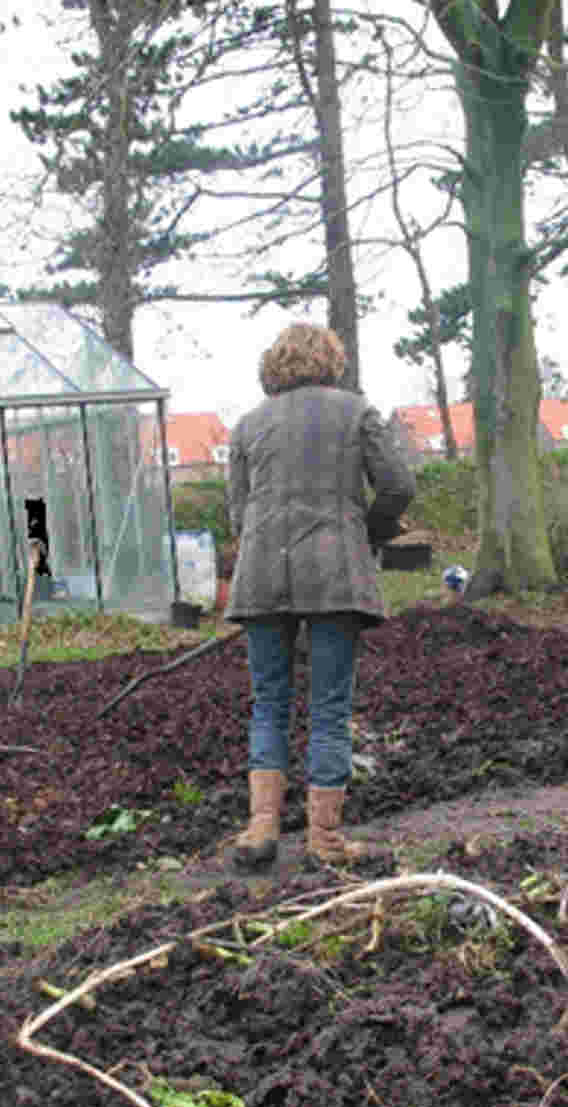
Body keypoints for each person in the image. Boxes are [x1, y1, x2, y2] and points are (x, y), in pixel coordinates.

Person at [224, 322, 416, 868]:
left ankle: (261, 829)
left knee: (268, 702)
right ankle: (324, 838)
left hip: (261, 577)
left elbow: (238, 514)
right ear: (331, 360)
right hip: (335, 576)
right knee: (328, 707)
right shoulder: (356, 413)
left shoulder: (245, 426)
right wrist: (368, 532)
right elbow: (399, 485)